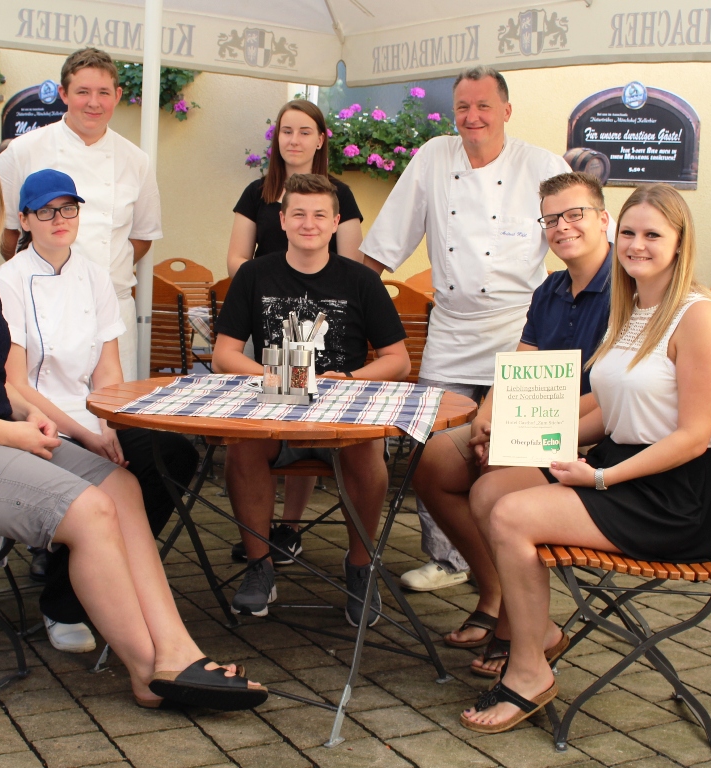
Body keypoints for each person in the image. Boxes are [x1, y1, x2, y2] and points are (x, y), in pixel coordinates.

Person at [0, 151, 265, 711]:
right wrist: (12, 434)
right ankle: (150, 671)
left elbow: (6, 384)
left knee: (121, 487)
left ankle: (177, 647)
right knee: (89, 510)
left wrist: (62, 424)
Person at [458, 183, 711, 734]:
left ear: (680, 243)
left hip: (671, 497)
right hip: (626, 474)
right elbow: (610, 409)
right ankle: (543, 635)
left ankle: (530, 667)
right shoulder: (635, 309)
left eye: (653, 234)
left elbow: (694, 437)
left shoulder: (699, 316)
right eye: (629, 232)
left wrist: (601, 475)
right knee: (491, 489)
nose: (636, 245)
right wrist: (523, 436)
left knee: (512, 514)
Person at [360, 66, 570, 593]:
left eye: (482, 106)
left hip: (524, 329)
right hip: (452, 330)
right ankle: (449, 558)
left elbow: (582, 239)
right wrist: (350, 299)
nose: (472, 117)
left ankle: (518, 555)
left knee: (516, 449)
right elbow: (388, 238)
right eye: (462, 108)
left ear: (506, 110)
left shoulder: (542, 165)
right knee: (431, 446)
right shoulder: (433, 157)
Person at [413, 171, 612, 669]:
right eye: (551, 219)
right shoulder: (550, 288)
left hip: (588, 440)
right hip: (531, 423)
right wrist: (487, 417)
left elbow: (616, 398)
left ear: (604, 218)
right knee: (435, 458)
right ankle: (496, 590)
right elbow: (521, 364)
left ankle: (521, 626)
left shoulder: (626, 290)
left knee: (492, 482)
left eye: (575, 214)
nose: (562, 226)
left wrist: (516, 434)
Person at [0, 169, 198, 653]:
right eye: (46, 211)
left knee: (173, 455)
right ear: (24, 219)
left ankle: (103, 575)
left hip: (93, 414)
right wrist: (88, 437)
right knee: (106, 481)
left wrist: (108, 424)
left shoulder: (93, 275)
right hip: (35, 422)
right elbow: (15, 383)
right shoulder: (9, 281)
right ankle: (63, 604)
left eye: (69, 208)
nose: (60, 219)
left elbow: (108, 371)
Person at [212, 173, 409, 627]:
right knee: (240, 445)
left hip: (342, 414)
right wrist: (274, 377)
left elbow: (397, 361)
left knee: (367, 448)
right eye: (298, 213)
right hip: (274, 407)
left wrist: (349, 379)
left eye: (320, 214)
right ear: (281, 220)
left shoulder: (361, 280)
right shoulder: (254, 275)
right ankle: (260, 566)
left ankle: (360, 566)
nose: (309, 223)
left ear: (336, 222)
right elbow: (224, 353)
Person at [226, 99, 365, 568]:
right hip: (268, 317)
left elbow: (349, 265)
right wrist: (261, 287)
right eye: (286, 131)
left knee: (310, 413)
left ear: (320, 139)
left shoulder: (341, 194)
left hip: (324, 326)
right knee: (275, 413)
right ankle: (259, 534)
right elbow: (236, 258)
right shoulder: (256, 191)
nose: (294, 140)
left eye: (305, 131)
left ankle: (290, 524)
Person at [0, 47, 162, 378]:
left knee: (115, 413)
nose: (94, 103)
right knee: (48, 411)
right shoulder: (23, 151)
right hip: (42, 309)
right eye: (82, 92)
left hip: (113, 309)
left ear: (117, 95)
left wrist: (99, 275)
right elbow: (7, 236)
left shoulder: (137, 160)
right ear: (63, 94)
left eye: (103, 93)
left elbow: (142, 237)